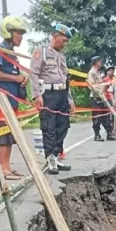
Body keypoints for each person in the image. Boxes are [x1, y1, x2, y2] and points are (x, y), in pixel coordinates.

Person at [0, 15, 29, 180]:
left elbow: (14, 74)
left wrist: (22, 78)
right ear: (8, 32)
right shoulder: (0, 49)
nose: (20, 37)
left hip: (12, 101)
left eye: (21, 34)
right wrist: (15, 78)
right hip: (0, 101)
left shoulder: (13, 54)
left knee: (10, 134)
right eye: (18, 33)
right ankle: (2, 168)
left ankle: (8, 166)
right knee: (3, 134)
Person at [30, 23, 75, 175]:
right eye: (63, 40)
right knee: (49, 127)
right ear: (55, 37)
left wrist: (70, 99)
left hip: (62, 94)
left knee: (62, 126)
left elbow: (65, 78)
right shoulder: (41, 51)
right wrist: (37, 95)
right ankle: (50, 158)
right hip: (48, 95)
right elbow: (34, 74)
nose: (65, 43)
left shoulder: (62, 56)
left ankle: (56, 156)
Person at [87, 56, 116, 141]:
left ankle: (109, 134)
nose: (101, 63)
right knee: (97, 117)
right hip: (96, 98)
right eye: (100, 61)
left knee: (105, 116)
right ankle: (97, 135)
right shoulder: (92, 72)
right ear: (96, 62)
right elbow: (92, 86)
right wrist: (99, 95)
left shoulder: (98, 72)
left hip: (102, 97)